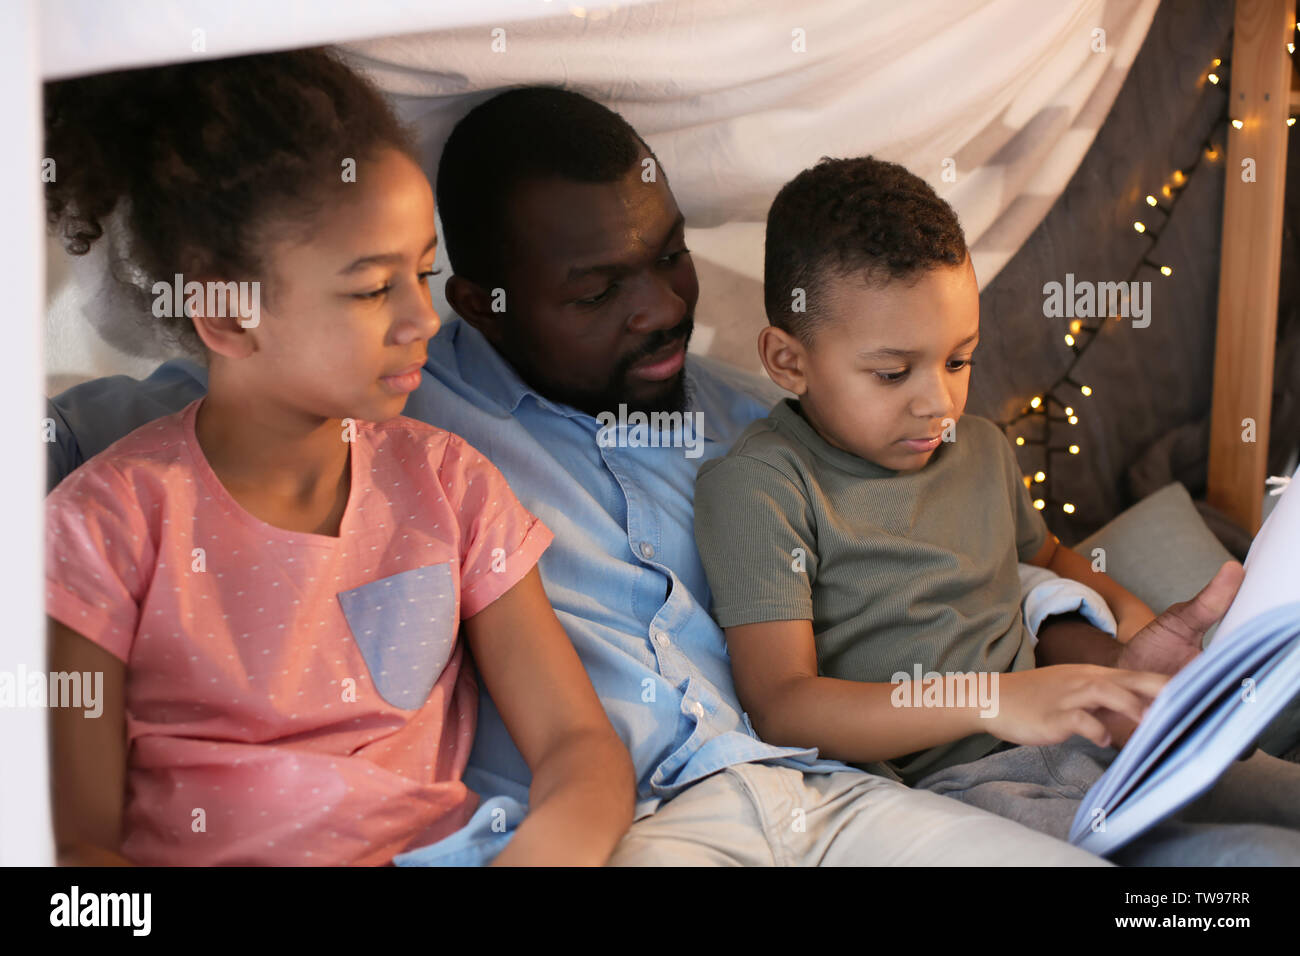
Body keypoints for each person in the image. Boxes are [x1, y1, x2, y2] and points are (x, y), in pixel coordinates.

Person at [46, 85, 1230, 866]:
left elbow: (944, 564)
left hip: (807, 789)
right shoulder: (408, 409)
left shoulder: (763, 412)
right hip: (650, 833)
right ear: (485, 304)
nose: (663, 304)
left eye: (665, 257)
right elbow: (187, 432)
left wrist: (1110, 639)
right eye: (595, 289)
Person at [42, 52, 633, 867]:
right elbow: (74, 851)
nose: (422, 319)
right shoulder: (100, 527)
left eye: (424, 273)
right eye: (370, 290)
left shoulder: (452, 487)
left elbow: (579, 747)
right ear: (228, 313)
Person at [691, 155, 1300, 864]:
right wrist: (997, 700)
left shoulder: (978, 449)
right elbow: (783, 703)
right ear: (789, 362)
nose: (937, 403)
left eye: (959, 360)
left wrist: (1128, 639)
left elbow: (1043, 559)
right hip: (963, 792)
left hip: (1089, 738)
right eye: (893, 373)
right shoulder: (762, 485)